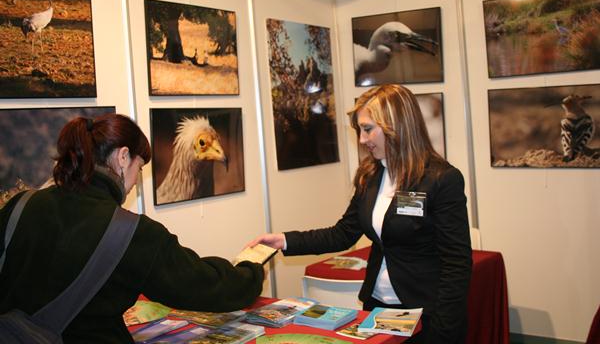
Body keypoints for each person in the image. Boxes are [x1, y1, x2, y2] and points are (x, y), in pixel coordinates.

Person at [0, 113, 264, 343]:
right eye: (140, 167)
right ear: (123, 157)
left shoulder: (21, 204)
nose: (137, 180)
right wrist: (251, 270)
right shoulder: (129, 232)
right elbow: (203, 286)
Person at [249, 84, 472, 344]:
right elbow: (343, 233)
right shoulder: (371, 175)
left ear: (396, 125)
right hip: (377, 309)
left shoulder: (441, 179)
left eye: (368, 129)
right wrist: (284, 240)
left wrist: (444, 331)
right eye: (360, 130)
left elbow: (457, 263)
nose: (362, 140)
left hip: (426, 314)